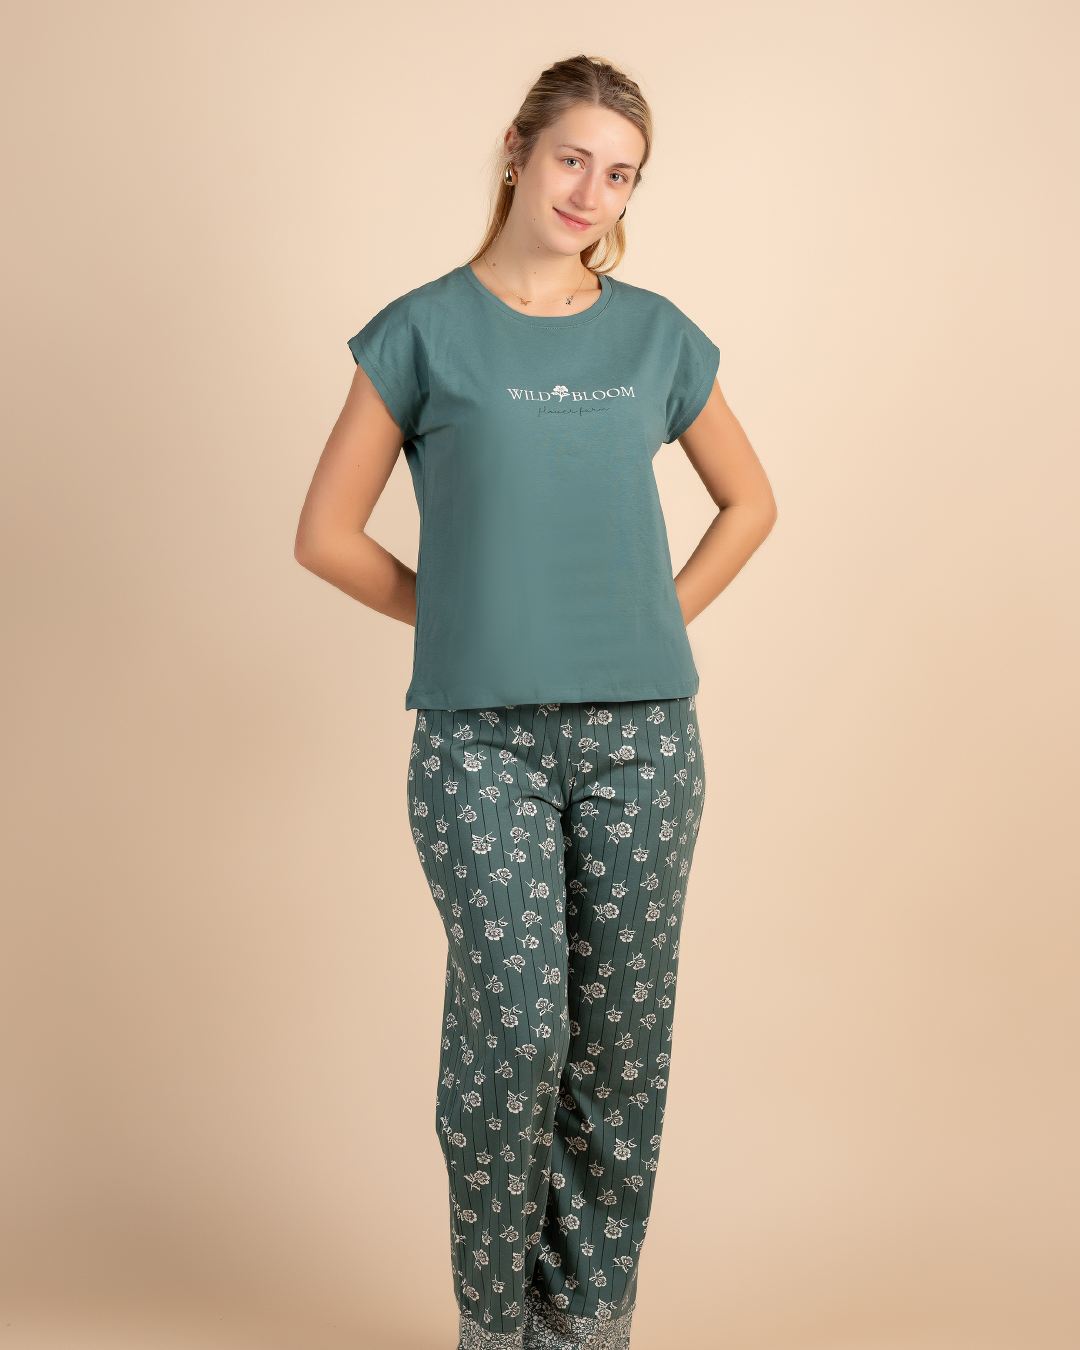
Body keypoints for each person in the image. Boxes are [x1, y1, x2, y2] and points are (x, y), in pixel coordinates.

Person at [295, 52, 776, 1350]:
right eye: (574, 158)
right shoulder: (420, 331)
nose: (591, 191)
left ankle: (589, 1320)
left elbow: (751, 501)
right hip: (479, 743)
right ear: (517, 149)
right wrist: (465, 614)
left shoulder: (656, 335)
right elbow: (326, 534)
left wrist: (654, 616)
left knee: (620, 1048)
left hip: (644, 741)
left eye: (620, 175)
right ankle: (494, 1320)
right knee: (515, 1032)